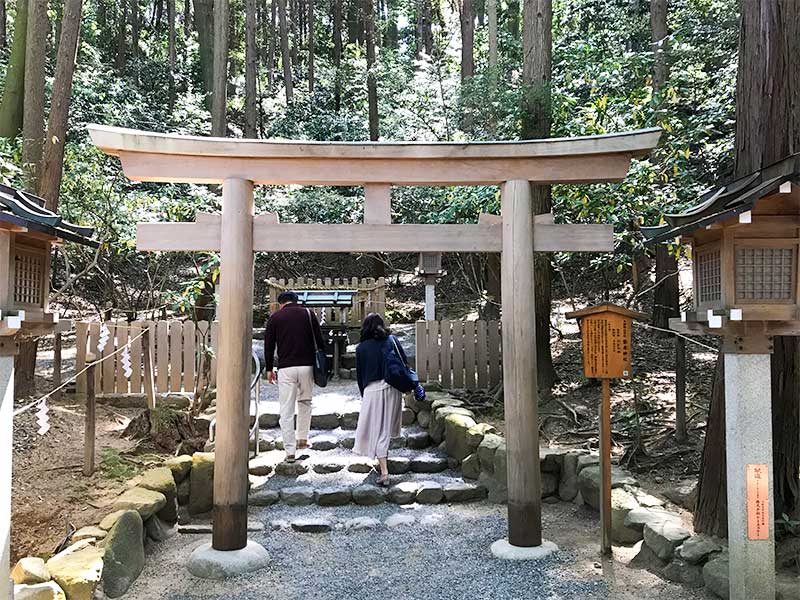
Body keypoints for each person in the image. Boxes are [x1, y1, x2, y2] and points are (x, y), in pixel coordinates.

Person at [264, 291, 325, 463]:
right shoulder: (308, 313)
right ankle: (303, 440)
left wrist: (269, 368)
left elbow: (269, 345)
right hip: (307, 366)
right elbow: (319, 341)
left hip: (286, 368)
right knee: (305, 402)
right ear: (296, 301)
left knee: (286, 409)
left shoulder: (275, 318)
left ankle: (290, 451)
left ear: (281, 303)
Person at [353, 313, 406, 486]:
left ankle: (384, 471)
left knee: (377, 429)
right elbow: (404, 362)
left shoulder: (361, 348)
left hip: (372, 390)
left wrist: (364, 395)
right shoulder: (391, 340)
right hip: (393, 387)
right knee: (384, 430)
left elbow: (360, 376)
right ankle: (382, 462)